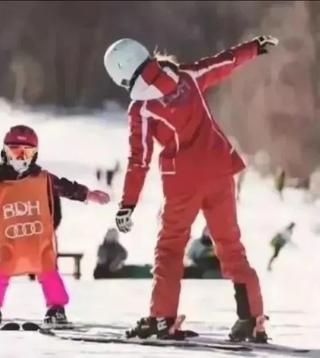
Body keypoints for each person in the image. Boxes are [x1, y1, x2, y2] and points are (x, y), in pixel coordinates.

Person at [103, 35, 278, 342]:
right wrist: (254, 47)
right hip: (220, 171)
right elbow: (224, 62)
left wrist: (127, 204)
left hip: (182, 183)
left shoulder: (141, 108)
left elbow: (138, 160)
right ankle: (252, 318)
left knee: (170, 248)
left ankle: (162, 318)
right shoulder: (186, 77)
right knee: (230, 246)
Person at [0, 125, 109, 328]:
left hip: (39, 244)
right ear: (5, 152)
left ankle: (57, 309)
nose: (20, 157)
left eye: (26, 152)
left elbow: (65, 187)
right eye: (15, 151)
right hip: (8, 245)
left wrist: (87, 194)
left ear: (34, 154)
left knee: (48, 272)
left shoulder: (43, 179)